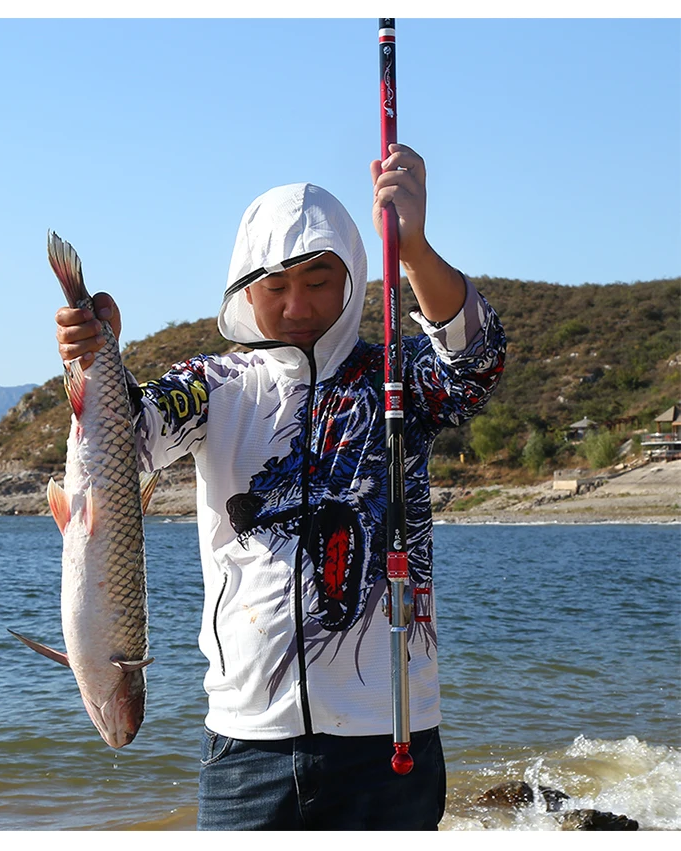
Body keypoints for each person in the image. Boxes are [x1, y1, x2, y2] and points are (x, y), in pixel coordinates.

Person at [55, 143, 506, 830]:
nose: (297, 304)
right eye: (274, 286)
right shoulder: (212, 386)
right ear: (244, 290)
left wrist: (411, 249)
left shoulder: (395, 378)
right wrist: (94, 363)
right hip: (246, 747)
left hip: (390, 737)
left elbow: (476, 362)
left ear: (353, 278)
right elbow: (129, 438)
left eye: (319, 280)